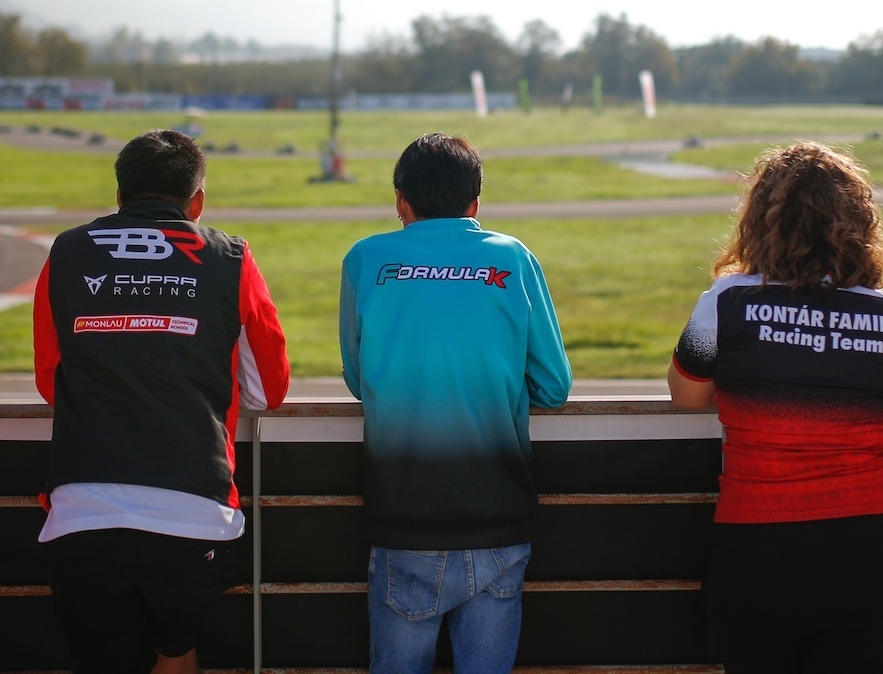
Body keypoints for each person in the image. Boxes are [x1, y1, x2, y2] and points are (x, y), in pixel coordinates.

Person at [669, 142, 883, 674]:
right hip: (878, 547)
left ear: (759, 221)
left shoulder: (727, 301)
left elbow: (688, 394)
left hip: (759, 551)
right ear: (860, 223)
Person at [34, 129, 289, 674]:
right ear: (197, 202)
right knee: (176, 649)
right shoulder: (232, 256)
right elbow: (269, 391)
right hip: (195, 516)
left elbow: (50, 381)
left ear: (120, 195)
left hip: (81, 514)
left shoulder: (67, 249)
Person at [339, 133, 572, 674]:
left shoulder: (366, 259)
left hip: (403, 519)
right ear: (475, 204)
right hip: (500, 517)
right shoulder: (513, 258)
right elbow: (554, 387)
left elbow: (359, 379)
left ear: (401, 201)